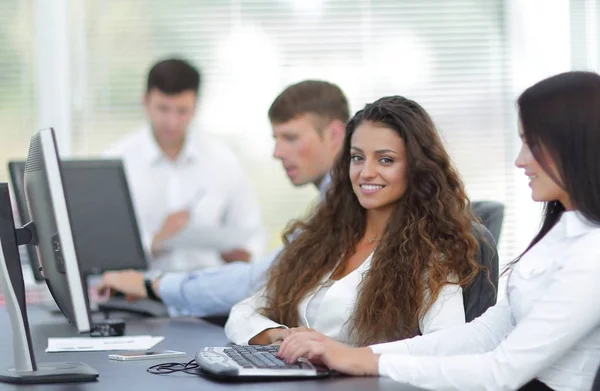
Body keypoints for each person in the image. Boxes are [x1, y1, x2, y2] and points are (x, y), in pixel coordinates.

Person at [277, 71, 600, 391]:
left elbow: (501, 372)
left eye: (532, 144)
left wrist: (367, 362)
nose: (520, 160)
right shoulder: (558, 237)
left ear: (572, 145)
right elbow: (482, 335)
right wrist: (354, 355)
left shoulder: (592, 252)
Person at [225, 95, 482, 347]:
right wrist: (276, 335)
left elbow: (448, 344)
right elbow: (245, 311)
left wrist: (342, 355)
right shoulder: (324, 236)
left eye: (385, 160)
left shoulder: (431, 253)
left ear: (416, 167)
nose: (366, 172)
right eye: (357, 157)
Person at [97, 80, 348, 316]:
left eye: (291, 138)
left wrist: (152, 285)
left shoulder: (345, 204)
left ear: (335, 134)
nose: (277, 152)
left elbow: (263, 278)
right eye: (276, 139)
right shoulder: (333, 199)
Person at [103, 58, 265, 272]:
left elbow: (251, 231)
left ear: (196, 107)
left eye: (182, 111)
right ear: (145, 102)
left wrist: (243, 254)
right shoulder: (116, 161)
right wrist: (155, 242)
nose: (172, 122)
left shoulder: (223, 160)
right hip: (138, 293)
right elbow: (103, 246)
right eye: (163, 109)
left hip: (208, 292)